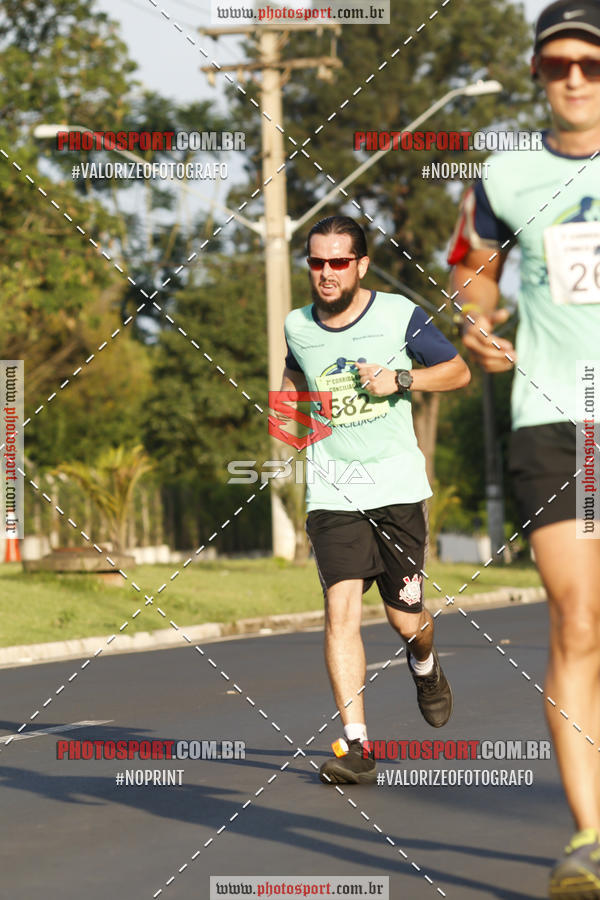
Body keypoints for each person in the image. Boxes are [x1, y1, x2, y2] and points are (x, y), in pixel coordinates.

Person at [448, 1, 600, 894]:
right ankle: (590, 834)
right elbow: (474, 270)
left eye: (589, 62)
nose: (574, 78)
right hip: (556, 418)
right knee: (576, 617)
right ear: (538, 73)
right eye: (557, 65)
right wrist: (477, 321)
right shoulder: (504, 178)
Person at [279, 214, 470, 784]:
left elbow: (457, 371)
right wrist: (288, 412)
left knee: (405, 618)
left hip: (397, 490)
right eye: (317, 262)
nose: (327, 273)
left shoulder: (398, 316)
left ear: (361, 265)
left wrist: (402, 380)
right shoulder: (297, 325)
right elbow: (295, 379)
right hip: (334, 490)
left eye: (339, 262)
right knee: (340, 610)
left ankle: (425, 662)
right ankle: (358, 745)